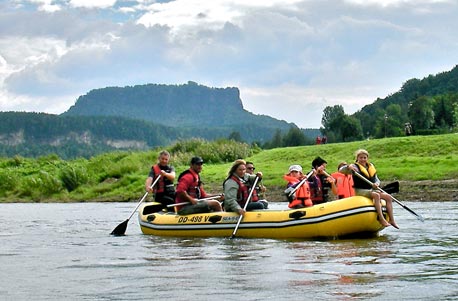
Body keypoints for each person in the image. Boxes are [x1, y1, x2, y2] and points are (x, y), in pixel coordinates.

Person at [339, 149, 399, 229]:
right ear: (357, 158)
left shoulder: (370, 166)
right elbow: (341, 170)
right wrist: (347, 167)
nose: (363, 159)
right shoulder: (354, 167)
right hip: (360, 190)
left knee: (388, 197)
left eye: (364, 157)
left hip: (371, 189)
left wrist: (377, 184)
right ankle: (381, 218)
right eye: (361, 158)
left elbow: (377, 179)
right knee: (376, 195)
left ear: (367, 158)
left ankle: (391, 220)